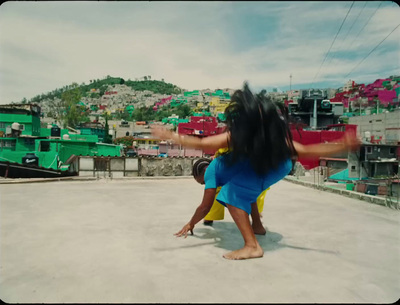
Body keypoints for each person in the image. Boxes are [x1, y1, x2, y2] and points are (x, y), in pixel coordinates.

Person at [152, 82, 360, 260]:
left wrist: (190, 223)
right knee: (245, 189)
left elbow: (206, 205)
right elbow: (305, 151)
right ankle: (257, 227)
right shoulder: (249, 140)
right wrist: (341, 145)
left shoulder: (212, 172)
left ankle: (252, 246)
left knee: (232, 194)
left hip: (272, 165)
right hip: (279, 165)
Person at [193, 158, 268, 235]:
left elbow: (205, 207)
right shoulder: (220, 164)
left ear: (206, 170)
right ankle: (257, 225)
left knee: (229, 196)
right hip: (267, 170)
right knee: (245, 194)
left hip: (259, 173)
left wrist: (191, 224)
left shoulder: (211, 172)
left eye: (204, 182)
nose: (206, 185)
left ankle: (250, 239)